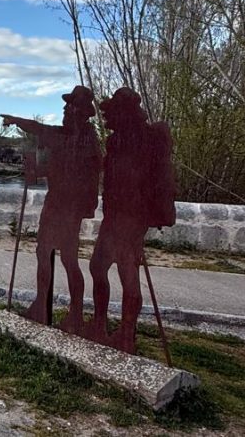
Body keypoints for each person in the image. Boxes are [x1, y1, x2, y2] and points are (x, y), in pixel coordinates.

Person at [2, 85, 101, 332]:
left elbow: (42, 131)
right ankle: (46, 306)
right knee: (51, 254)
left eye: (70, 106)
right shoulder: (75, 137)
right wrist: (36, 171)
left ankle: (70, 312)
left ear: (78, 110)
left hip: (65, 205)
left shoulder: (80, 139)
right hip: (62, 203)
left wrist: (17, 121)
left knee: (63, 257)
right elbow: (58, 164)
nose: (65, 109)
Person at [85, 87, 177, 352]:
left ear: (124, 113)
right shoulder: (117, 140)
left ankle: (126, 335)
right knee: (98, 267)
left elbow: (143, 179)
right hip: (115, 215)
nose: (108, 118)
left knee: (127, 273)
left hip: (131, 217)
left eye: (113, 112)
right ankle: (100, 325)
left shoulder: (143, 141)